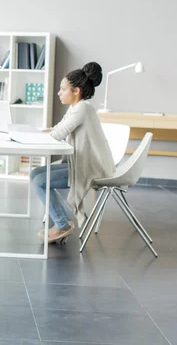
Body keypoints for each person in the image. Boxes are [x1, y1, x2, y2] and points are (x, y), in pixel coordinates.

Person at [30, 62, 115, 243]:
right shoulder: (76, 108)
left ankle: (63, 224)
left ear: (76, 91)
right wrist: (41, 132)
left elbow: (58, 134)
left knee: (39, 181)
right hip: (80, 163)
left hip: (92, 169)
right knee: (35, 173)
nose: (59, 93)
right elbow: (58, 129)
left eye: (63, 89)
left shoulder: (82, 108)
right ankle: (66, 217)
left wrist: (47, 133)